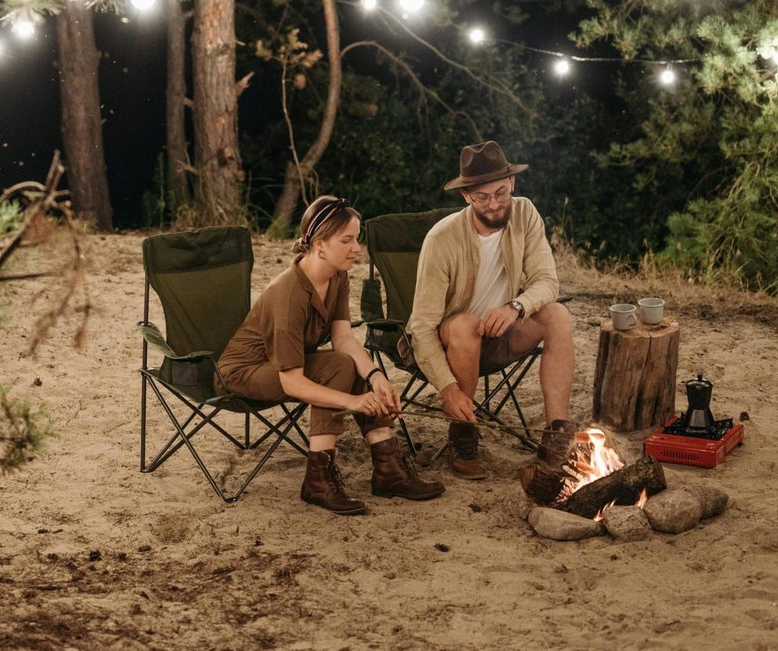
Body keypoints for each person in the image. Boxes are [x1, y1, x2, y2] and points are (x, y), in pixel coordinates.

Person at [216, 195, 444, 514]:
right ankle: (318, 481)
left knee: (349, 363)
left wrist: (377, 378)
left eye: (357, 239)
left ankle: (389, 469)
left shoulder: (337, 276)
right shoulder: (289, 294)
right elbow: (292, 382)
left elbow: (344, 339)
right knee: (337, 367)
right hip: (242, 372)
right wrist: (353, 402)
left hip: (284, 363)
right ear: (320, 244)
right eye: (346, 240)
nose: (356, 248)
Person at [400, 141, 576, 502]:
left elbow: (547, 281)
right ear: (466, 196)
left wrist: (515, 306)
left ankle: (556, 436)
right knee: (465, 324)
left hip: (502, 334)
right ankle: (463, 436)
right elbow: (421, 326)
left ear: (512, 183)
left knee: (557, 315)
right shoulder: (442, 239)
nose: (494, 204)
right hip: (452, 342)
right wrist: (448, 389)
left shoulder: (525, 213)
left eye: (500, 193)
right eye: (482, 197)